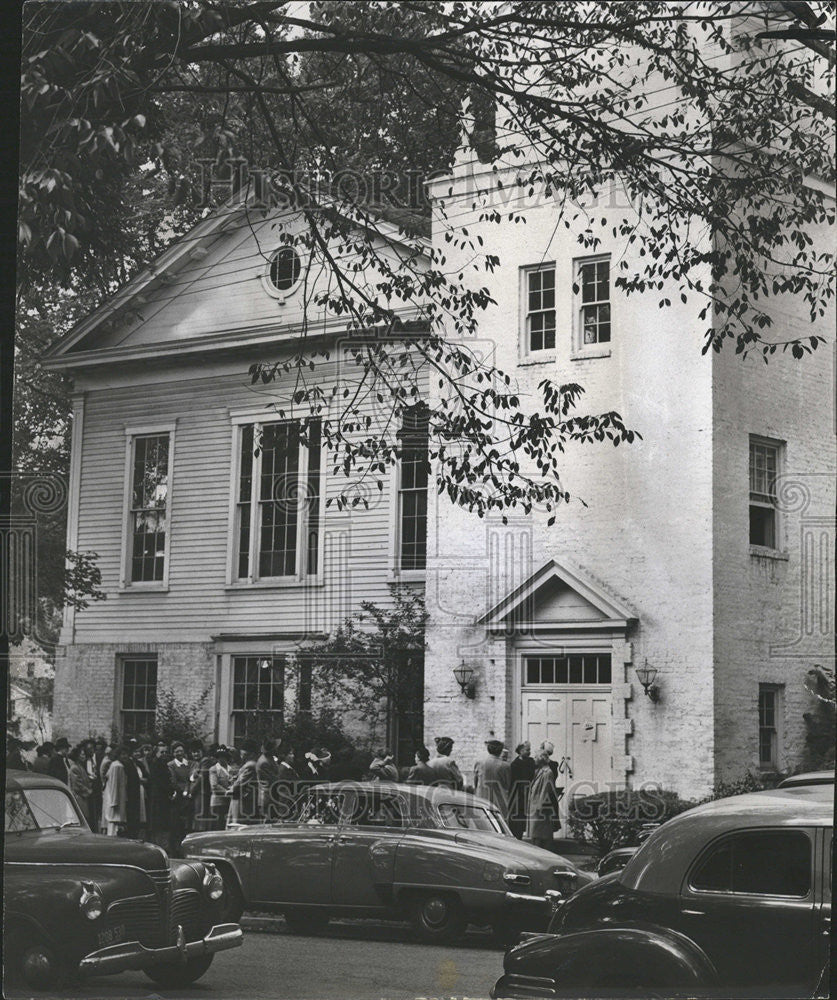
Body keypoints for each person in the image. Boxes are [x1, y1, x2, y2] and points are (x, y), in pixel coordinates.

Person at [527, 750, 564, 850]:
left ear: (541, 759)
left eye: (535, 757)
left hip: (540, 807)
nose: (534, 759)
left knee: (540, 834)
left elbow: (545, 790)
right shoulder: (539, 771)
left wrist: (540, 806)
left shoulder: (548, 773)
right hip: (536, 806)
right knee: (536, 833)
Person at [473, 738, 512, 818]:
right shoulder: (505, 766)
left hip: (482, 798)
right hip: (499, 800)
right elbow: (508, 784)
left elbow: (475, 782)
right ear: (500, 750)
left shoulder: (480, 763)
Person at [168, 742, 193, 855]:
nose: (179, 753)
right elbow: (173, 781)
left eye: (181, 751)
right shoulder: (171, 765)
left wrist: (189, 790)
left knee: (186, 824)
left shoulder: (189, 764)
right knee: (176, 823)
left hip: (189, 795)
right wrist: (183, 791)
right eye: (177, 751)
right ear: (173, 753)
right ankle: (175, 849)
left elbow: (190, 779)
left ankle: (185, 848)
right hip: (178, 797)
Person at [228, 739, 260, 825]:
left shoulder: (250, 765)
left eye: (244, 755)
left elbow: (240, 782)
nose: (242, 757)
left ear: (251, 754)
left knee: (238, 825)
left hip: (243, 800)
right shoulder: (253, 764)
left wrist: (230, 789)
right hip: (248, 798)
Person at [509, 741, 535, 839]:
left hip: (530, 791)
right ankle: (518, 835)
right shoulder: (515, 764)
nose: (529, 752)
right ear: (520, 751)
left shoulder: (531, 762)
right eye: (527, 750)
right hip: (519, 794)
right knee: (519, 815)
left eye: (530, 750)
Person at [148, 740, 172, 847]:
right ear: (157, 753)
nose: (164, 754)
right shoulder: (155, 764)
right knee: (158, 822)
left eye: (165, 752)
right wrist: (171, 790)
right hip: (158, 796)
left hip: (163, 796)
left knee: (163, 822)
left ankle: (163, 844)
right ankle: (158, 844)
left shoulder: (164, 764)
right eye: (161, 752)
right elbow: (159, 781)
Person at [102, 746, 129, 836]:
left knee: (115, 825)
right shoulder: (117, 766)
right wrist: (114, 802)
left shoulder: (118, 765)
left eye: (126, 754)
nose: (125, 756)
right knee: (114, 824)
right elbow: (114, 784)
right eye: (122, 754)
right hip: (116, 800)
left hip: (118, 798)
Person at [190, 741, 215, 833]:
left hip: (202, 793)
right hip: (197, 793)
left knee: (201, 817)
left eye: (197, 751)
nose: (195, 754)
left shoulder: (205, 761)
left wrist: (191, 791)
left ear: (202, 751)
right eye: (193, 752)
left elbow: (202, 778)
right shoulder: (196, 762)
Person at [67, 745, 93, 824]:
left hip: (83, 797)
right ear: (77, 756)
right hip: (78, 797)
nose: (84, 756)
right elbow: (77, 785)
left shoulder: (80, 767)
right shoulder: (75, 768)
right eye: (82, 754)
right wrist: (88, 791)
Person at [209, 746, 233, 830]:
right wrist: (228, 792)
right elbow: (214, 786)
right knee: (217, 825)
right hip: (218, 802)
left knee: (226, 825)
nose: (221, 759)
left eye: (223, 756)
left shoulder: (231, 769)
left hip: (229, 802)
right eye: (219, 757)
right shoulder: (214, 769)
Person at [256, 738, 280, 821]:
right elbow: (274, 778)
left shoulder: (270, 758)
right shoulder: (264, 762)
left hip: (272, 794)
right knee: (267, 822)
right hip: (266, 796)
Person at [274, 744, 298, 821]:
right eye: (290, 754)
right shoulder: (283, 769)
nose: (293, 756)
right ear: (284, 756)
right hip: (285, 804)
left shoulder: (288, 768)